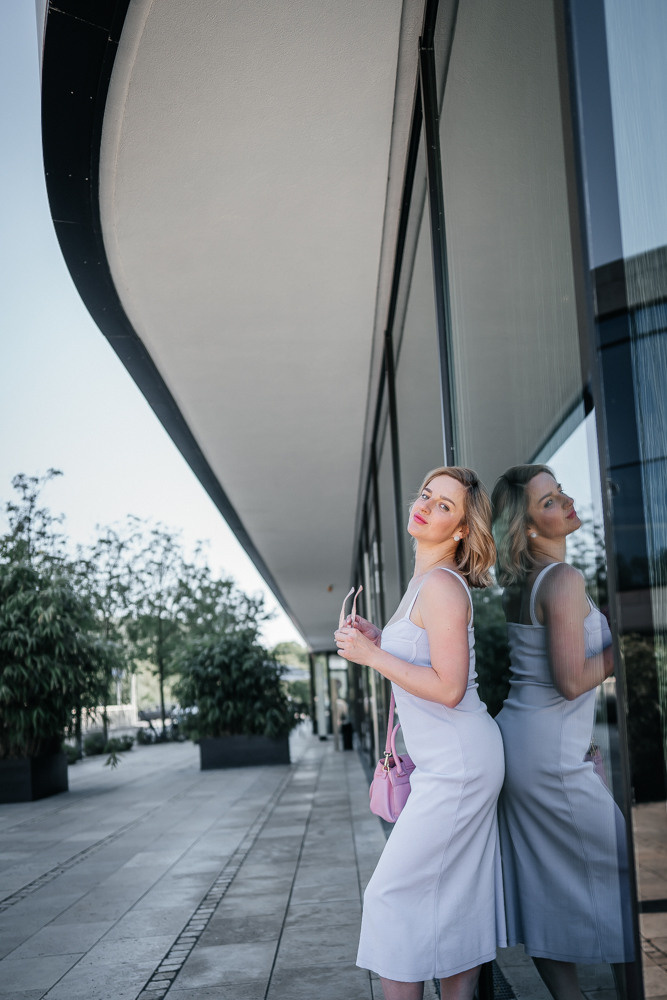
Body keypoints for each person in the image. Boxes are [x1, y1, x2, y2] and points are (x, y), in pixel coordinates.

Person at [335, 467, 505, 1000]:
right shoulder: (423, 583)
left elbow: (450, 687)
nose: (427, 506)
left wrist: (374, 655)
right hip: (450, 762)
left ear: (460, 531)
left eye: (445, 506)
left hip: (458, 765)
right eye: (427, 495)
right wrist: (381, 640)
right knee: (454, 900)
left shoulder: (441, 586)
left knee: (390, 895)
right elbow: (426, 660)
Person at [491, 465, 634, 1000]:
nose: (568, 501)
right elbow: (573, 680)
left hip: (527, 746)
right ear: (527, 527)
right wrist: (629, 645)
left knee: (543, 878)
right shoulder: (563, 580)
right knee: (626, 869)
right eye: (549, 501)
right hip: (547, 754)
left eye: (560, 492)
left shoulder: (529, 581)